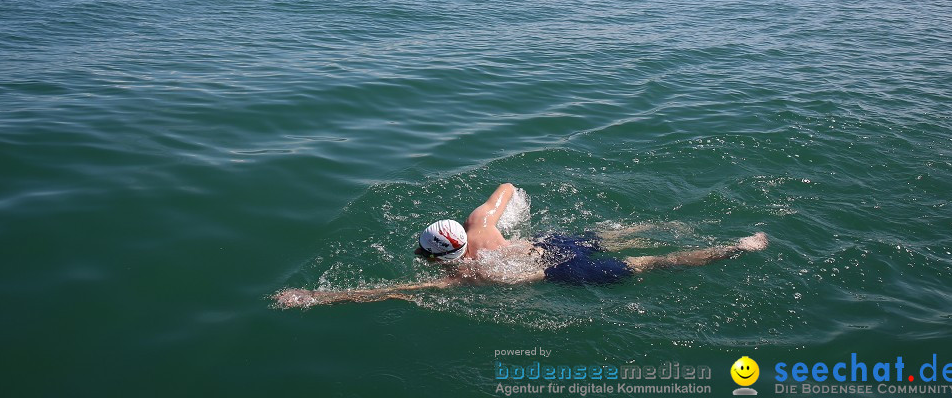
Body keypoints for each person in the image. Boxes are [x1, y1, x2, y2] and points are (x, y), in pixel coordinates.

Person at [274, 183, 768, 308]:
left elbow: (392, 290)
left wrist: (318, 297)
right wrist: (510, 211)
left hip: (557, 272)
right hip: (551, 242)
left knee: (651, 264)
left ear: (434, 254)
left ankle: (738, 248)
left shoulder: (466, 273)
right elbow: (508, 185)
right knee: (625, 234)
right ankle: (711, 232)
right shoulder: (480, 223)